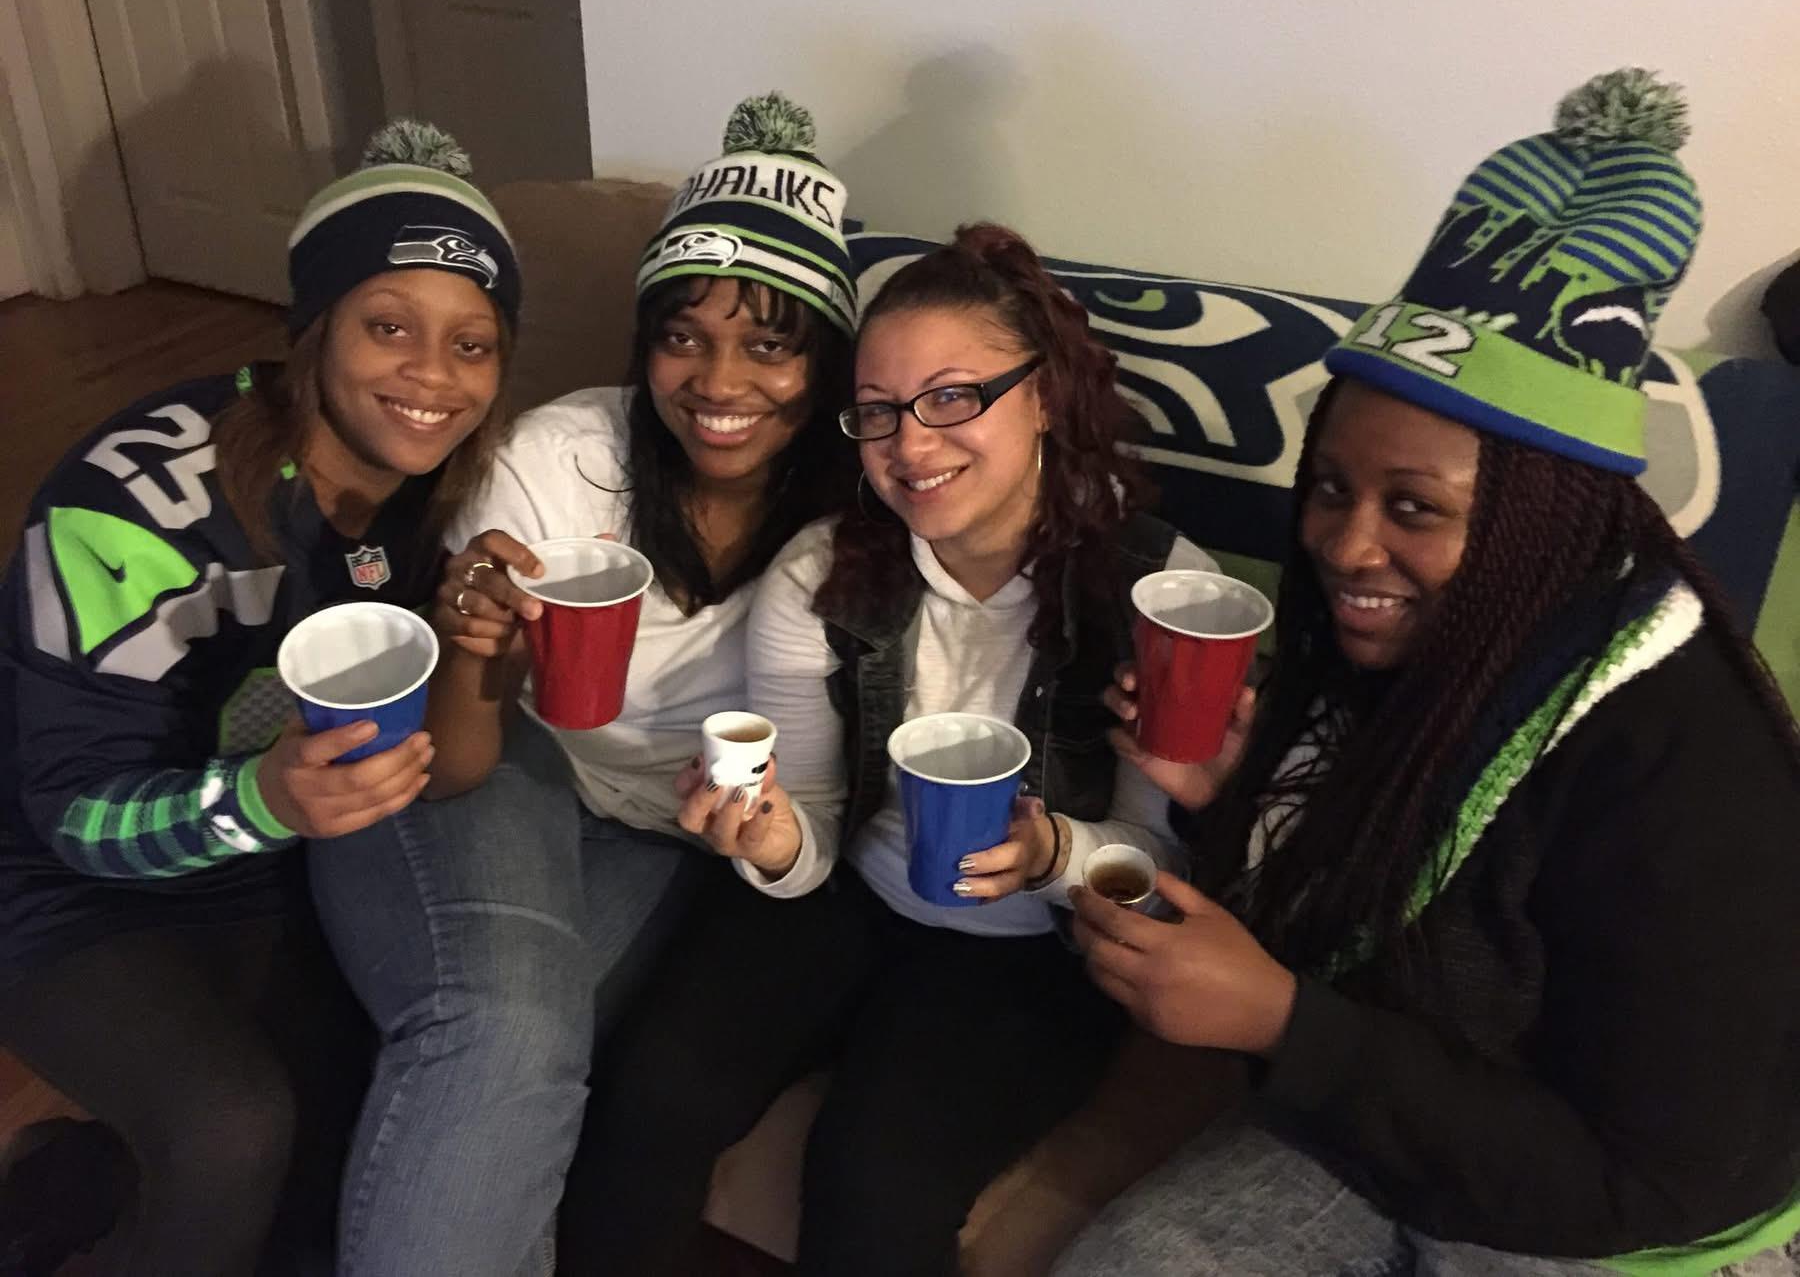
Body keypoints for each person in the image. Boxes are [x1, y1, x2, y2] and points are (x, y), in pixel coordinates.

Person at [1054, 70, 1800, 1277]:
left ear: (1537, 527)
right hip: (1400, 1115)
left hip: (1632, 1226)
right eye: (1333, 491)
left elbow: (1645, 1177)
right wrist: (1235, 792)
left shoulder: (1689, 771)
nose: (1349, 547)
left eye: (1416, 508)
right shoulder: (1374, 645)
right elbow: (1369, 929)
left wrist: (1285, 1025)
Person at [564, 223, 1213, 1275]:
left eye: (955, 398)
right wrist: (771, 841)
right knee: (650, 1095)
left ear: (1042, 395)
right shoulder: (824, 573)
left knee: (874, 1177)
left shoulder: (1158, 594)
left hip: (1033, 947)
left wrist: (1056, 859)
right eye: (878, 414)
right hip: (849, 895)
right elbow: (812, 819)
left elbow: (1161, 870)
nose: (911, 446)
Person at [306, 93, 859, 1277]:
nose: (719, 380)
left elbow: (811, 804)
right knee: (506, 1031)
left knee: (532, 1064)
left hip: (670, 830)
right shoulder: (564, 456)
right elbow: (460, 753)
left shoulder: (855, 517)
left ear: (825, 363)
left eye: (770, 343)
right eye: (682, 334)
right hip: (510, 762)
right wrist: (468, 643)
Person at [0, 121, 518, 1275]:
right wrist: (262, 805)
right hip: (63, 879)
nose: (434, 377)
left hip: (267, 859)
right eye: (390, 327)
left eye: (472, 345)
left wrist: (477, 656)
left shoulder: (438, 497)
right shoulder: (130, 504)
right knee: (232, 1124)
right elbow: (70, 816)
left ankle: (70, 1181)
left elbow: (451, 763)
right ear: (312, 327)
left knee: (370, 1109)